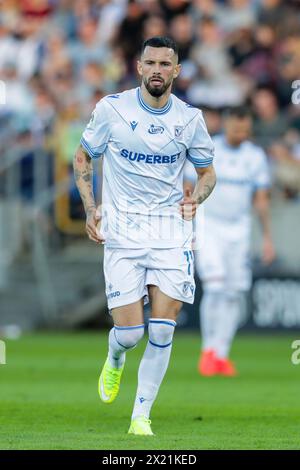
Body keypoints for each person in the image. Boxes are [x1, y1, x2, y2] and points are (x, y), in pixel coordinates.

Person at [73, 36, 216, 435]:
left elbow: (207, 174)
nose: (157, 70)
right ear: (138, 67)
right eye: (150, 62)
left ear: (177, 71)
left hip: (170, 232)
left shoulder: (190, 119)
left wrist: (196, 201)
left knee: (164, 325)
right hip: (122, 230)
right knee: (132, 334)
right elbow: (84, 156)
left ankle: (141, 416)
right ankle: (115, 355)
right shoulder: (112, 109)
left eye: (164, 64)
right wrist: (90, 207)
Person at [184, 107, 275, 377]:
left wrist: (268, 237)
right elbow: (188, 188)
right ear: (226, 125)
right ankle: (208, 351)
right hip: (209, 226)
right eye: (236, 128)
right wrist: (187, 228)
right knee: (215, 286)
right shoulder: (209, 150)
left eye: (245, 129)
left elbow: (260, 199)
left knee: (234, 292)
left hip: (239, 230)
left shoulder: (255, 156)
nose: (241, 133)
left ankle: (221, 353)